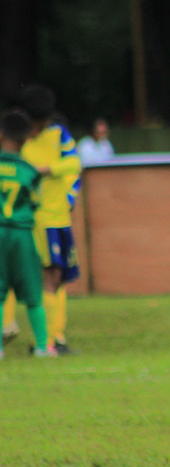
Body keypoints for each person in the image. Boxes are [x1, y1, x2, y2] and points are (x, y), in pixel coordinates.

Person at [14, 85, 82, 355]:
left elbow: (74, 164)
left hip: (58, 219)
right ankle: (46, 341)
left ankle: (56, 338)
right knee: (43, 278)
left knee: (59, 277)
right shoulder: (16, 138)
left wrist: (46, 170)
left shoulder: (58, 134)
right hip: (33, 219)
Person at [0, 110, 55, 359]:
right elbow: (35, 203)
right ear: (26, 140)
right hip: (22, 235)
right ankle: (43, 346)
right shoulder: (29, 171)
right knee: (33, 293)